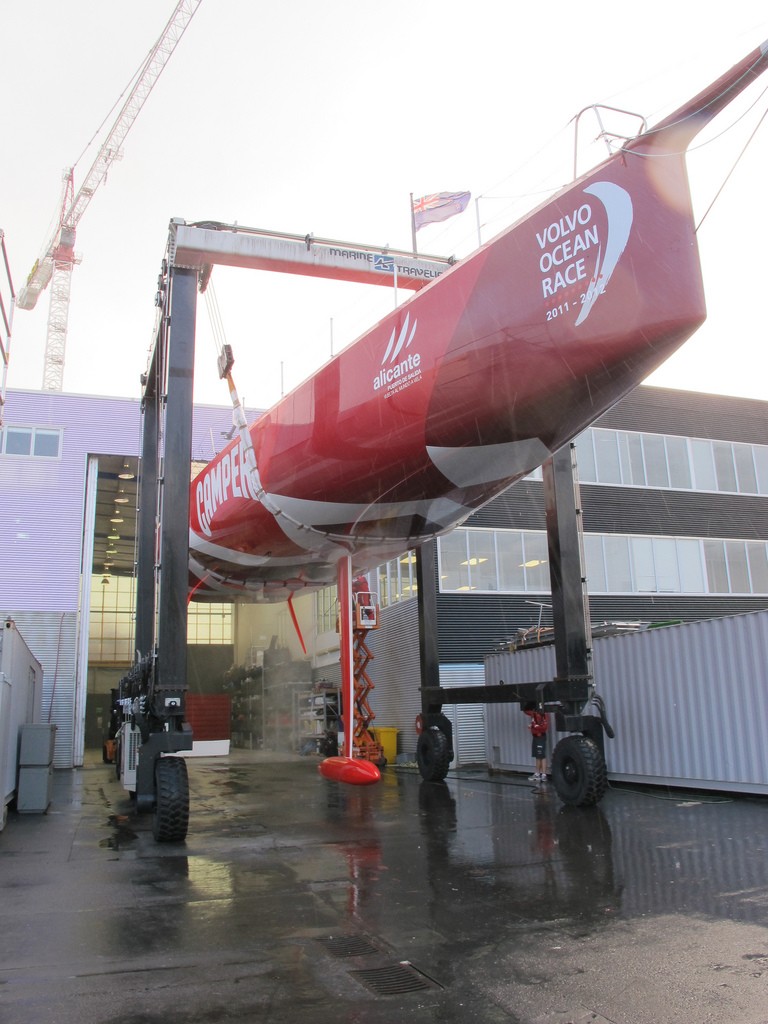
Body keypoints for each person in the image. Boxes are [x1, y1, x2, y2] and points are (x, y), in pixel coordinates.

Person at [522, 701, 549, 782]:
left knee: (541, 755)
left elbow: (544, 727)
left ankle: (543, 774)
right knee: (538, 755)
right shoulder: (534, 713)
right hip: (536, 737)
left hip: (540, 736)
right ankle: (537, 773)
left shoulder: (544, 715)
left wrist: (534, 726)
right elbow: (526, 711)